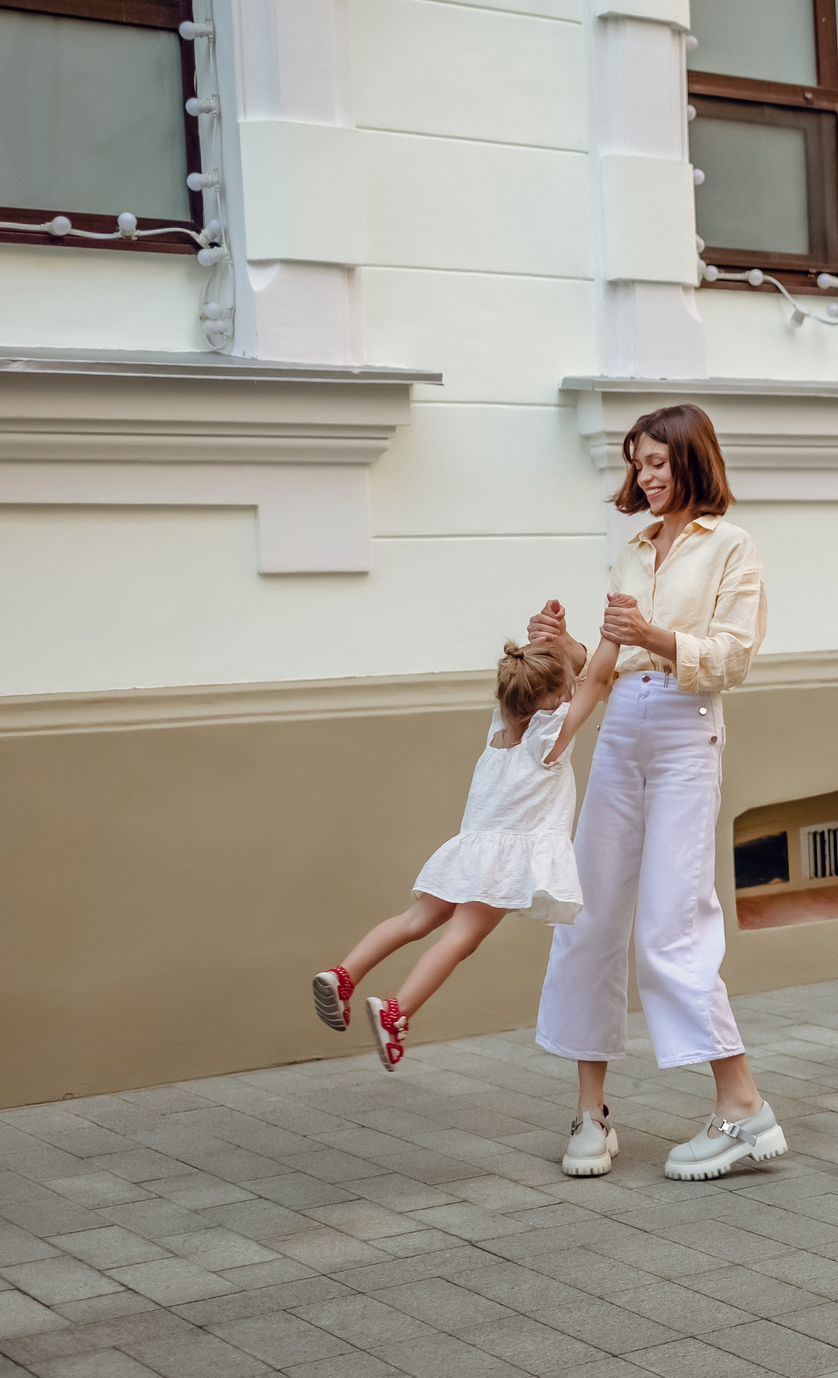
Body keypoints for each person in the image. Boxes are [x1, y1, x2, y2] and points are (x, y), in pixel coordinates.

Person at [525, 403, 784, 1181]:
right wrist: (562, 664)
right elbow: (607, 664)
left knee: (672, 923)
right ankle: (590, 1115)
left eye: (657, 462)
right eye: (636, 463)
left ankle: (743, 1108)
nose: (644, 475)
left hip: (684, 733)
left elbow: (733, 657)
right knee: (586, 914)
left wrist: (655, 639)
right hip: (621, 733)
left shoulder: (732, 547)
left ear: (691, 460)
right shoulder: (634, 549)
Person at [312, 639, 588, 1071]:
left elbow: (548, 683)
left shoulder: (500, 729)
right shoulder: (549, 741)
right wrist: (613, 635)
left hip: (469, 849)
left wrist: (557, 647)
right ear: (552, 701)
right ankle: (395, 1013)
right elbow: (600, 680)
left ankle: (343, 975)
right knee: (460, 939)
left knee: (414, 920)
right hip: (502, 863)